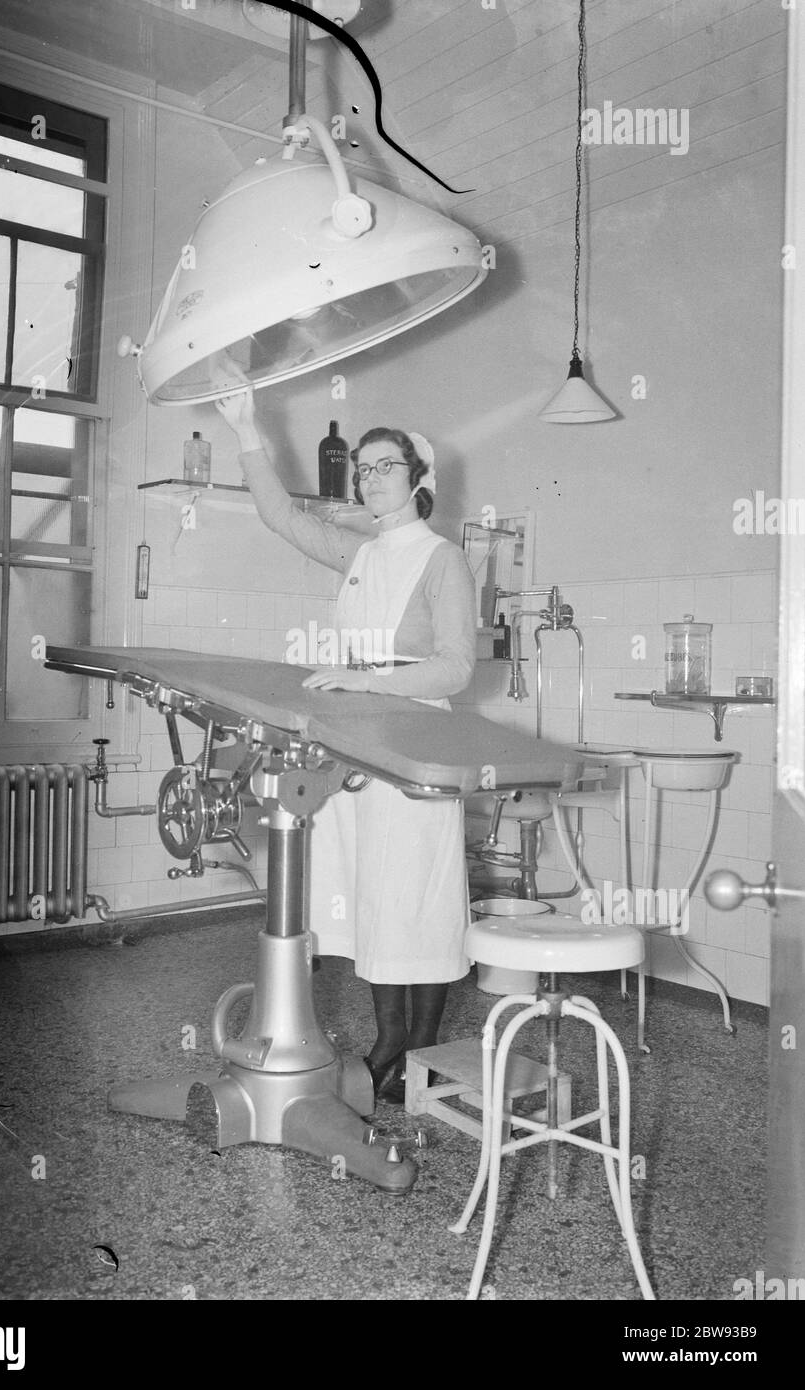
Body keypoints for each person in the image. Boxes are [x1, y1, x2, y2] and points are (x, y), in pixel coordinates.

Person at [215, 387, 477, 1104]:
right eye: (361, 468)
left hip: (417, 739)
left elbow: (455, 665)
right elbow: (278, 514)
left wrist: (368, 679)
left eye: (384, 465)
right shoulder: (360, 552)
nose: (369, 477)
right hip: (357, 745)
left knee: (414, 899)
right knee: (372, 896)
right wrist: (245, 428)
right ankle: (390, 1043)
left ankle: (406, 1047)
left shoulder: (441, 559)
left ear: (418, 476)